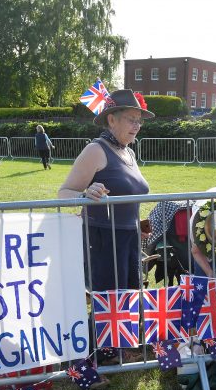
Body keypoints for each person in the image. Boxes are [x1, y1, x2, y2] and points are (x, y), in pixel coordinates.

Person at [58, 89, 154, 291]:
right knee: (108, 307)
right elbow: (64, 191)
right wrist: (85, 195)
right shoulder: (95, 150)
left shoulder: (129, 152)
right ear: (112, 120)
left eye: (139, 121)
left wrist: (136, 225)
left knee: (129, 303)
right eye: (132, 120)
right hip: (104, 242)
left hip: (130, 240)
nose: (137, 126)